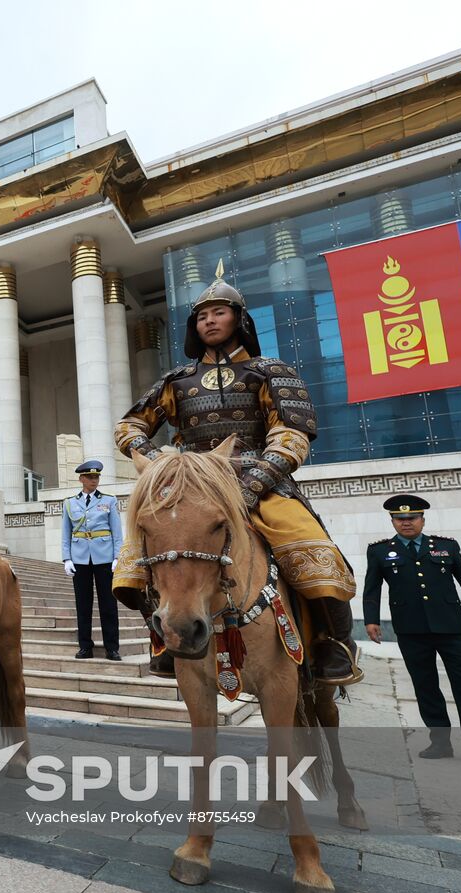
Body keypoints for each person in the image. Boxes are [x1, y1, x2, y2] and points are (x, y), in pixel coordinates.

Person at [113, 263, 361, 686]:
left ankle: (334, 644)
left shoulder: (270, 370)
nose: (209, 321)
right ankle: (169, 637)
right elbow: (129, 426)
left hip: (261, 482)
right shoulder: (177, 380)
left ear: (239, 319)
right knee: (133, 562)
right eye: (202, 315)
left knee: (311, 546)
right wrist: (159, 464)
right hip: (192, 486)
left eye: (219, 312)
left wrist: (254, 484)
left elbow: (292, 433)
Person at [362, 495, 461, 770]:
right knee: (425, 687)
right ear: (392, 521)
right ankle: (440, 743)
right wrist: (371, 620)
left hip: (452, 629)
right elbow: (372, 589)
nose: (406, 523)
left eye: (412, 518)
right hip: (411, 630)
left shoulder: (446, 547)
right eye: (400, 519)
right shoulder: (379, 551)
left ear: (422, 520)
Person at [61, 459, 123, 661]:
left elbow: (117, 532)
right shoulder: (70, 503)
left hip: (105, 558)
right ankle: (85, 646)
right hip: (80, 559)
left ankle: (112, 648)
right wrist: (67, 558)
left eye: (96, 477)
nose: (94, 480)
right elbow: (65, 533)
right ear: (81, 479)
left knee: (108, 604)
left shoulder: (109, 501)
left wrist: (117, 556)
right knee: (83, 605)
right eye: (90, 477)